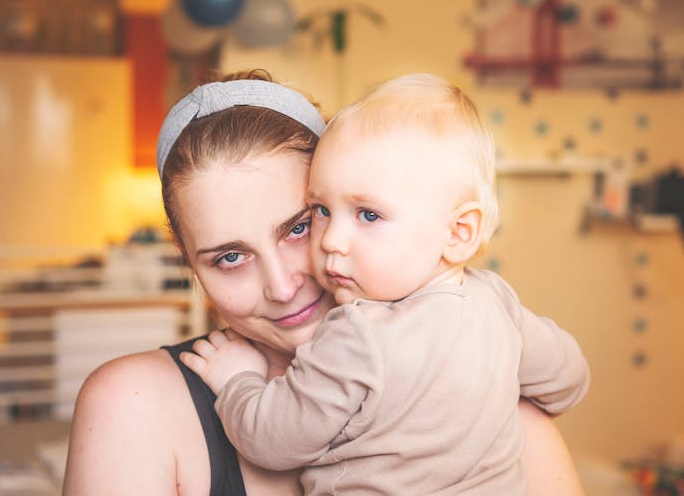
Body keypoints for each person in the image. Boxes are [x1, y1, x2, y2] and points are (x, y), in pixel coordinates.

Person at [62, 70, 588, 496]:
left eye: (299, 225)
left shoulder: (496, 404)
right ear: (189, 264)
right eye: (229, 257)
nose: (283, 287)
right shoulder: (132, 403)